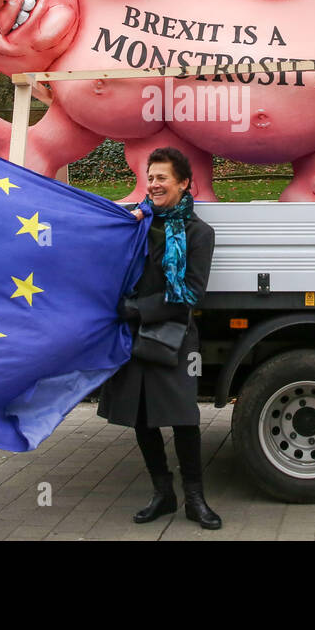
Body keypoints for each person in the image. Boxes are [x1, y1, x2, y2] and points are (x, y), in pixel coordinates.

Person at [97, 147, 220, 528]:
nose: (153, 185)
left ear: (184, 183)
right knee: (142, 418)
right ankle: (163, 494)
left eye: (162, 178)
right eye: (150, 178)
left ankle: (195, 499)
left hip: (173, 334)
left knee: (183, 418)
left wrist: (138, 309)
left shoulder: (199, 233)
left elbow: (191, 292)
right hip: (132, 335)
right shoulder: (135, 223)